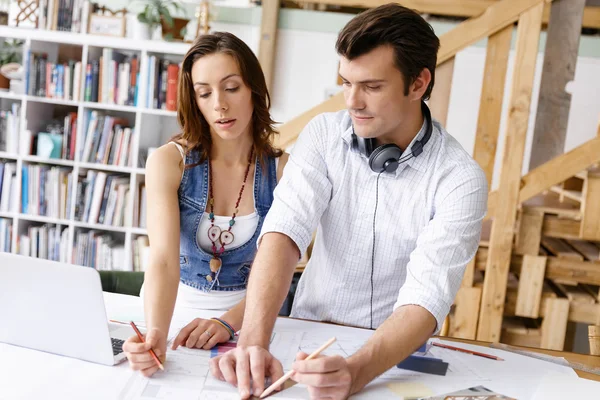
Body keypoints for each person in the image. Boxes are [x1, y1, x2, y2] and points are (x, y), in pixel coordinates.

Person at [210, 4, 488, 399]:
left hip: (392, 358)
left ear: (418, 84)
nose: (352, 101)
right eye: (345, 83)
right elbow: (284, 235)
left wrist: (355, 374)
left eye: (372, 87)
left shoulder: (460, 179)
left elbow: (426, 299)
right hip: (308, 335)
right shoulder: (323, 136)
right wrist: (252, 342)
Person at [122, 31, 288, 377]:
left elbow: (279, 272)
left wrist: (228, 323)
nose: (219, 105)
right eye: (204, 93)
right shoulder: (170, 162)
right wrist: (157, 332)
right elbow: (164, 261)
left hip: (250, 322)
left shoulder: (284, 171)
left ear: (254, 91)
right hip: (171, 313)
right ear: (193, 100)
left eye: (231, 88)